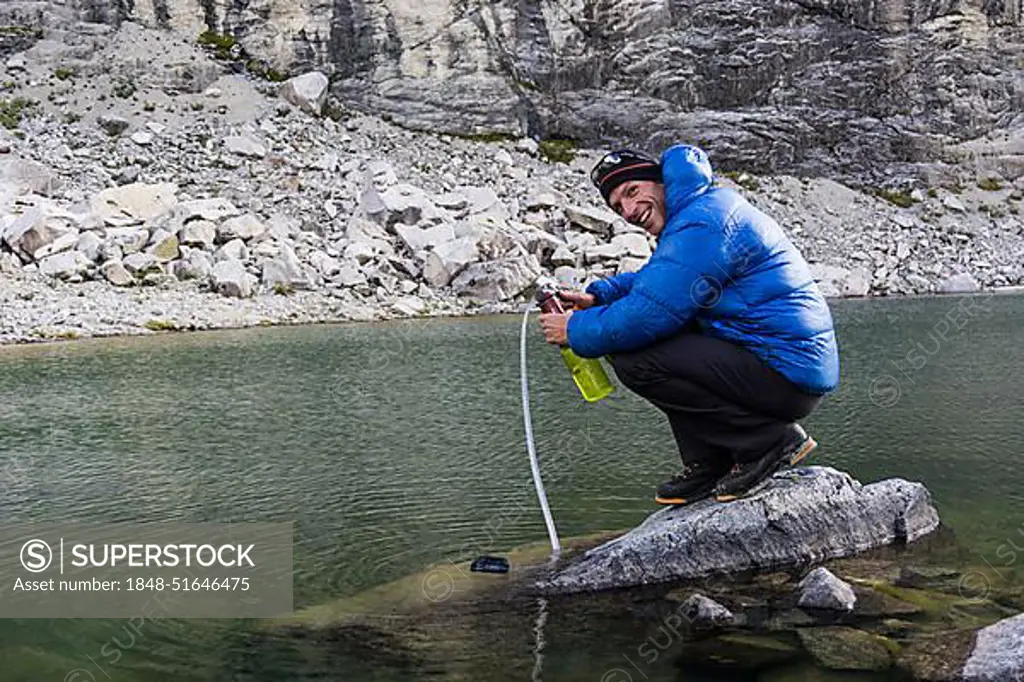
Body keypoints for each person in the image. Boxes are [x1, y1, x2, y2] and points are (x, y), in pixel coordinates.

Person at [539, 145, 840, 505]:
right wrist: (600, 297)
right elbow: (661, 280)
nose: (630, 211)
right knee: (656, 343)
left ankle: (767, 442)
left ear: (660, 181)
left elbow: (645, 315)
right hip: (778, 366)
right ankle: (710, 462)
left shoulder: (706, 220)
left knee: (636, 357)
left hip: (786, 374)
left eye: (632, 192)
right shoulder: (698, 212)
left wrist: (573, 330)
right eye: (618, 206)